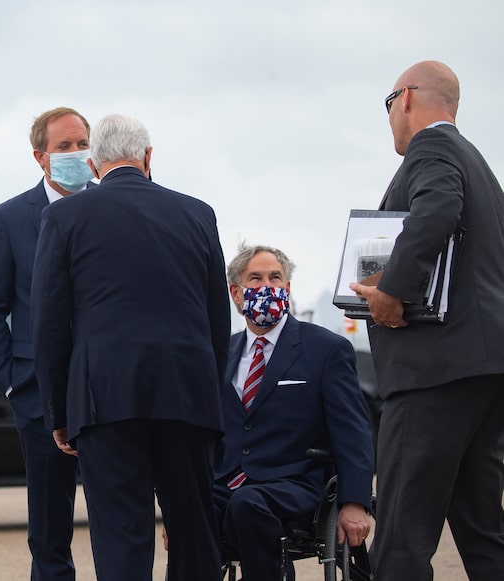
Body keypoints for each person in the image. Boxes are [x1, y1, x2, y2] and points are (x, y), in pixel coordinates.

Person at [30, 114, 232, 581]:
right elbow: (216, 320)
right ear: (148, 156)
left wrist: (59, 411)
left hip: (105, 403)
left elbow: (50, 325)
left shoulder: (63, 217)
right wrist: (209, 392)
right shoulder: (198, 213)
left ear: (95, 165)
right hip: (188, 398)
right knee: (194, 533)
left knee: (122, 535)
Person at [350, 60, 504, 581]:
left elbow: (437, 209)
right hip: (481, 372)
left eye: (388, 105)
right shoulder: (478, 163)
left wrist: (391, 291)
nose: (389, 117)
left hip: (432, 372)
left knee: (400, 541)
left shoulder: (433, 149)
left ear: (407, 98)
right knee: (484, 535)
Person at [0, 107, 95, 580]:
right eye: (64, 146)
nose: (77, 153)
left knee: (116, 517)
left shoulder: (111, 206)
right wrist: (13, 384)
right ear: (40, 157)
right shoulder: (9, 219)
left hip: (107, 390)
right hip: (39, 397)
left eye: (82, 142)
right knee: (49, 529)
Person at [211, 244, 373, 581]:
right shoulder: (221, 354)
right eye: (255, 278)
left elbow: (352, 431)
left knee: (247, 504)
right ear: (236, 293)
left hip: (293, 484)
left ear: (287, 289)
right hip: (229, 481)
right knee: (190, 505)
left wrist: (355, 502)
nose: (266, 285)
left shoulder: (325, 350)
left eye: (275, 278)